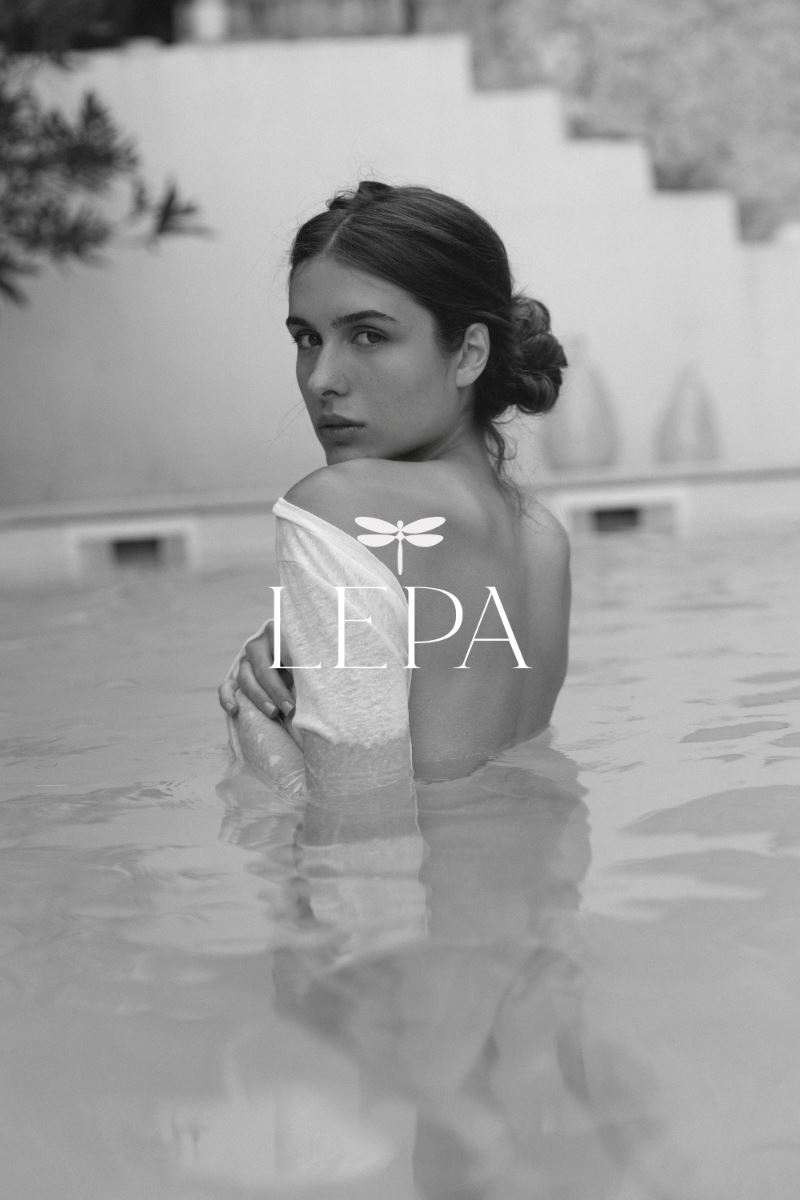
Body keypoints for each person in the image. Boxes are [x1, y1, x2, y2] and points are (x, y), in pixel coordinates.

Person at [218, 181, 570, 839]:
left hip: (406, 905)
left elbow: (355, 823)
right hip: (535, 896)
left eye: (369, 335)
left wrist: (248, 713)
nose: (322, 379)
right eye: (307, 338)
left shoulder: (337, 507)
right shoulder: (543, 536)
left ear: (469, 353)